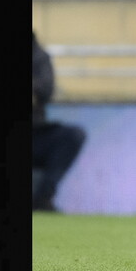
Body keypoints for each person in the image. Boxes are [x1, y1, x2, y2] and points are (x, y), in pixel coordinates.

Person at [32, 31, 86, 212]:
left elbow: (46, 90)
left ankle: (42, 199)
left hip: (35, 133)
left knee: (72, 135)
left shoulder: (38, 56)